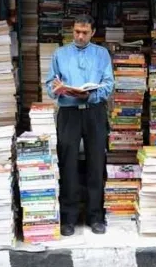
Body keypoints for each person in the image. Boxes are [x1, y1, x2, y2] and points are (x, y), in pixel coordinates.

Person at [45, 14, 114, 236]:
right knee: (68, 163)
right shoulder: (60, 54)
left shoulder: (102, 54)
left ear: (92, 32)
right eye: (76, 31)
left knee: (96, 162)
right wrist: (57, 89)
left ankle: (95, 217)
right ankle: (68, 217)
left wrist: (89, 96)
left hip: (94, 112)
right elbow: (49, 85)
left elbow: (108, 85)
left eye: (84, 32)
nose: (80, 36)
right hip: (68, 113)